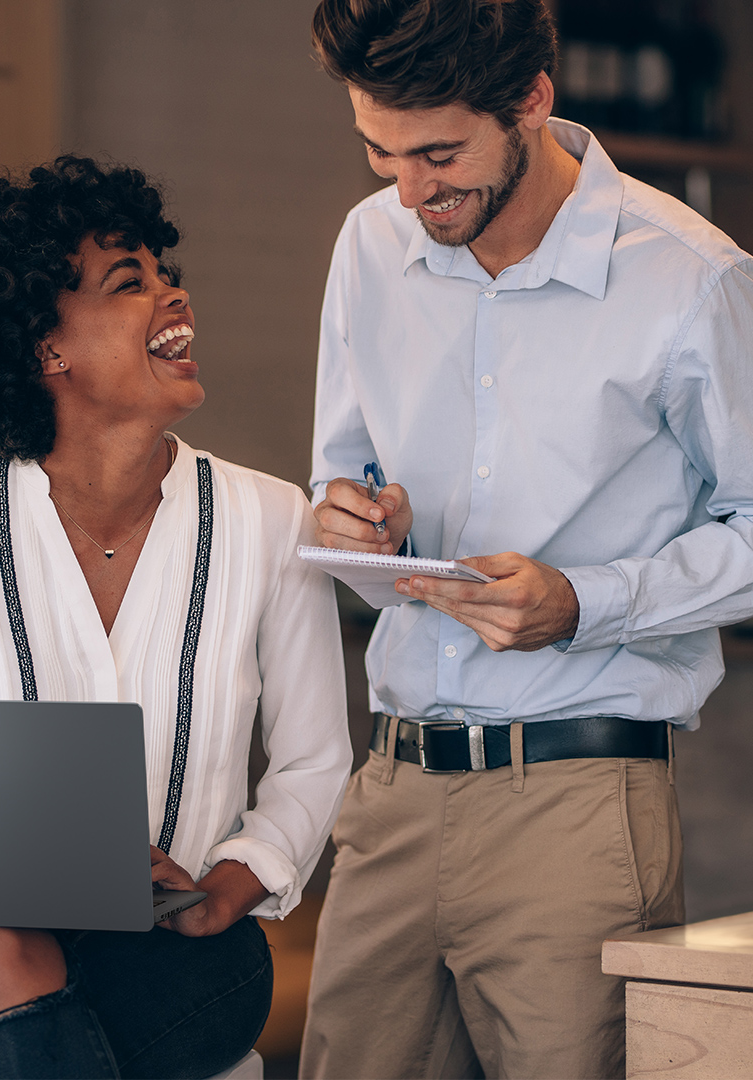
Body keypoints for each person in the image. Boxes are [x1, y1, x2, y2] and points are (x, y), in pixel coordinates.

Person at [298, 2, 753, 1078]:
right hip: (393, 793)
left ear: (532, 103)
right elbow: (338, 467)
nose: (409, 190)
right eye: (380, 151)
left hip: (578, 803)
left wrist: (586, 601)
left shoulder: (691, 277)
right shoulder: (369, 243)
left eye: (440, 154)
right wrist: (355, 511)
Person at [0, 155, 352, 1080]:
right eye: (132, 284)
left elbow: (314, 758)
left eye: (168, 276)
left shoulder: (268, 519)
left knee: (19, 1015)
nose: (176, 298)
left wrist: (237, 877)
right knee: (5, 955)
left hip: (185, 949)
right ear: (47, 349)